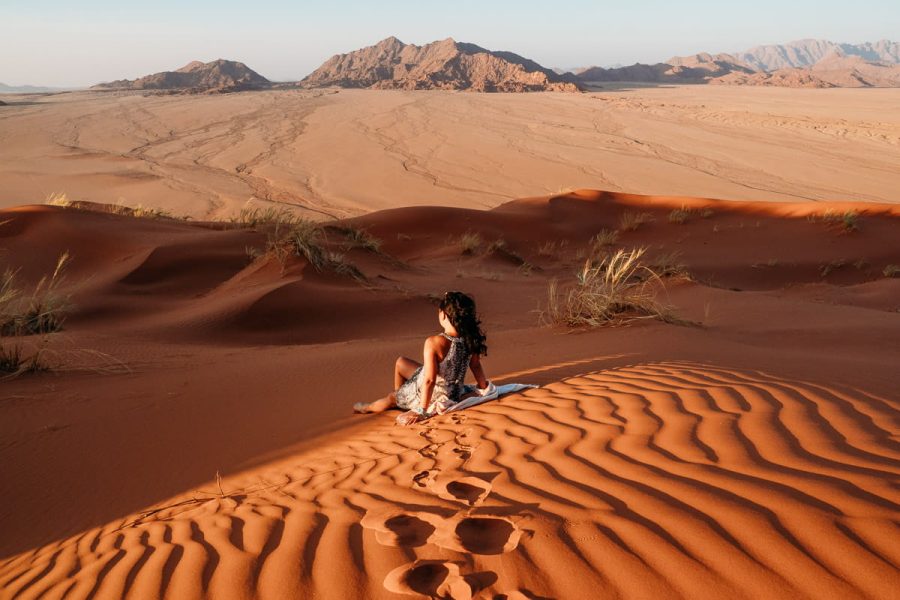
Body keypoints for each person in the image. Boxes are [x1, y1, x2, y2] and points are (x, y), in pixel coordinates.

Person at [354, 291, 495, 425]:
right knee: (401, 362)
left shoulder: (434, 342)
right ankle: (402, 397)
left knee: (391, 397)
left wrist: (422, 410)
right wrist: (484, 388)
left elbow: (429, 380)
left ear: (443, 315)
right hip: (454, 392)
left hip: (430, 395)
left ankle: (371, 407)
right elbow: (475, 366)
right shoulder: (470, 339)